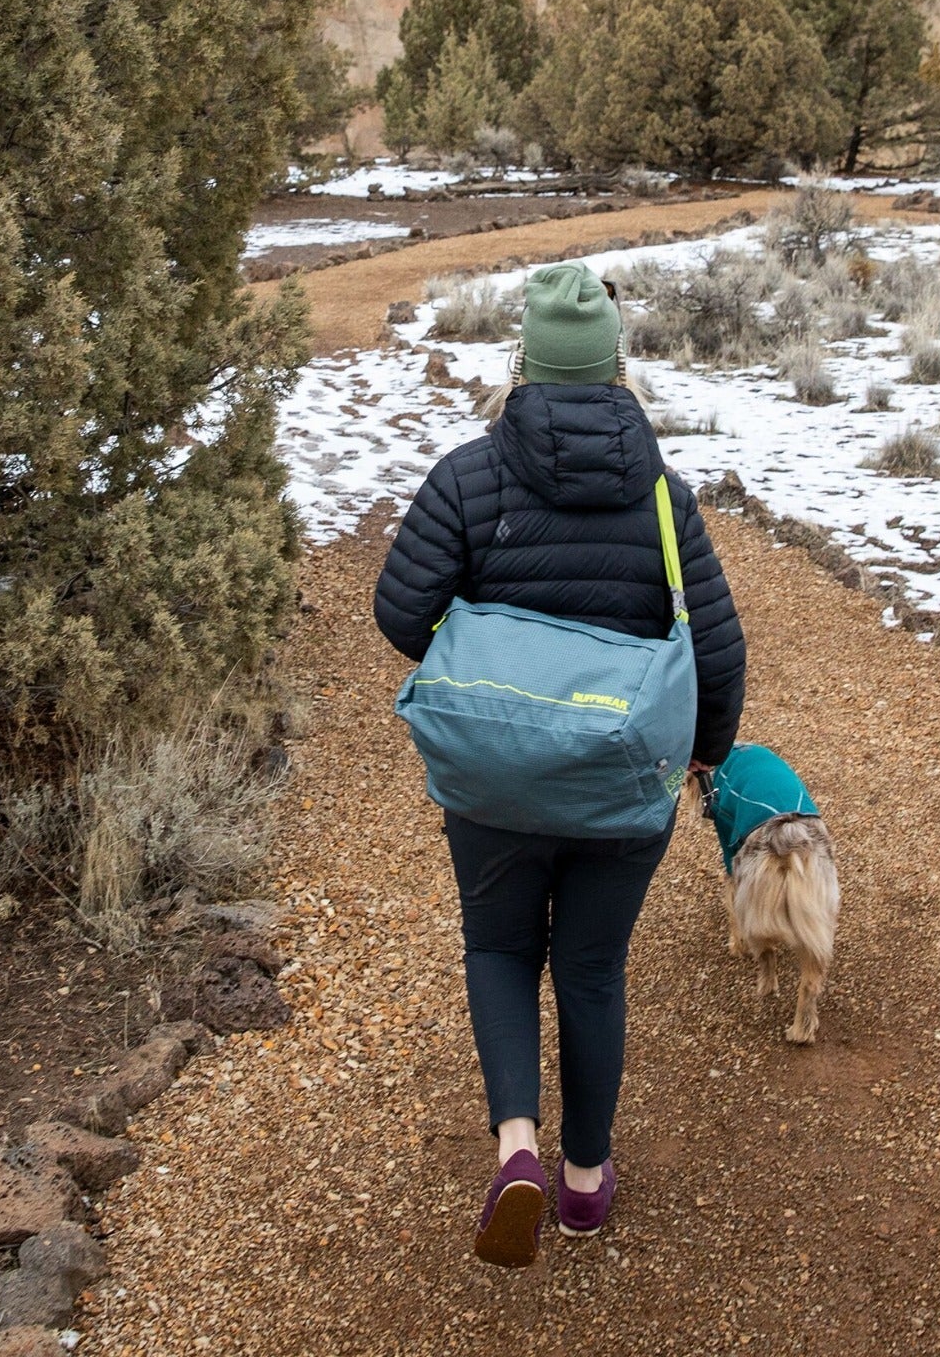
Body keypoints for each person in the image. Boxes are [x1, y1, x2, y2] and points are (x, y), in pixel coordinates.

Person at [374, 262, 746, 1266]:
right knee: (588, 965)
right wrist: (699, 759)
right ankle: (584, 1184)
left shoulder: (467, 475)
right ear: (614, 369)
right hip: (622, 793)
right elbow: (715, 652)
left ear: (525, 365)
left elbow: (398, 612)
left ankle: (516, 1148)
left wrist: (489, 676)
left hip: (493, 785)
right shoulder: (665, 498)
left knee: (498, 948)